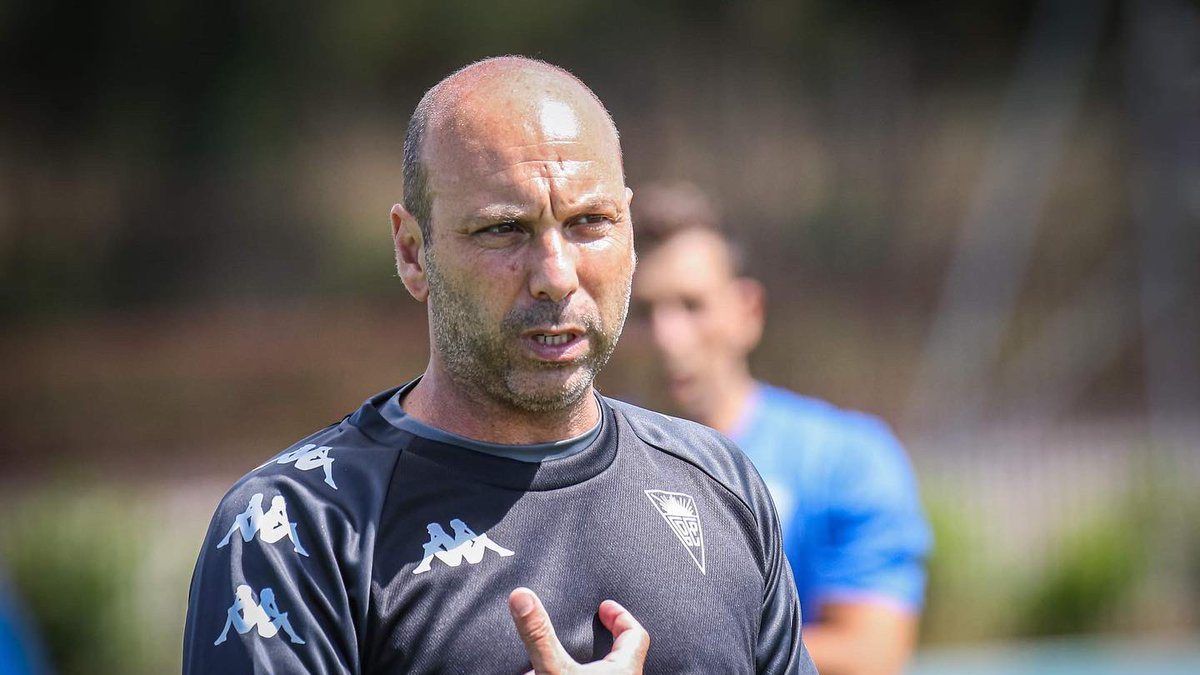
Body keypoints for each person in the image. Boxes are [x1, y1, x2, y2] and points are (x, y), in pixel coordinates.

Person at [182, 57, 817, 674]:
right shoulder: (295, 524)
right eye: (505, 229)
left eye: (589, 222)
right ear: (412, 252)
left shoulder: (719, 482)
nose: (556, 276)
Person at [630, 182, 932, 675]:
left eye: (692, 305)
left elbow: (869, 655)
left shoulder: (847, 461)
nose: (668, 337)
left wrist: (682, 651)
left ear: (748, 312)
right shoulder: (583, 472)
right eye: (643, 312)